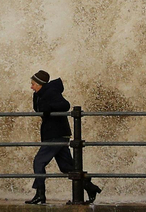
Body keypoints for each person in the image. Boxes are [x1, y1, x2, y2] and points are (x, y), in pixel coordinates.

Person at [27, 70, 101, 205]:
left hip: (55, 135)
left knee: (39, 162)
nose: (31, 87)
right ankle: (91, 188)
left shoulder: (50, 92)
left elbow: (65, 105)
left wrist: (48, 107)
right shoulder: (39, 94)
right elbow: (39, 110)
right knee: (66, 166)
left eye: (33, 84)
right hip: (55, 134)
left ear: (40, 84)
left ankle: (40, 195)